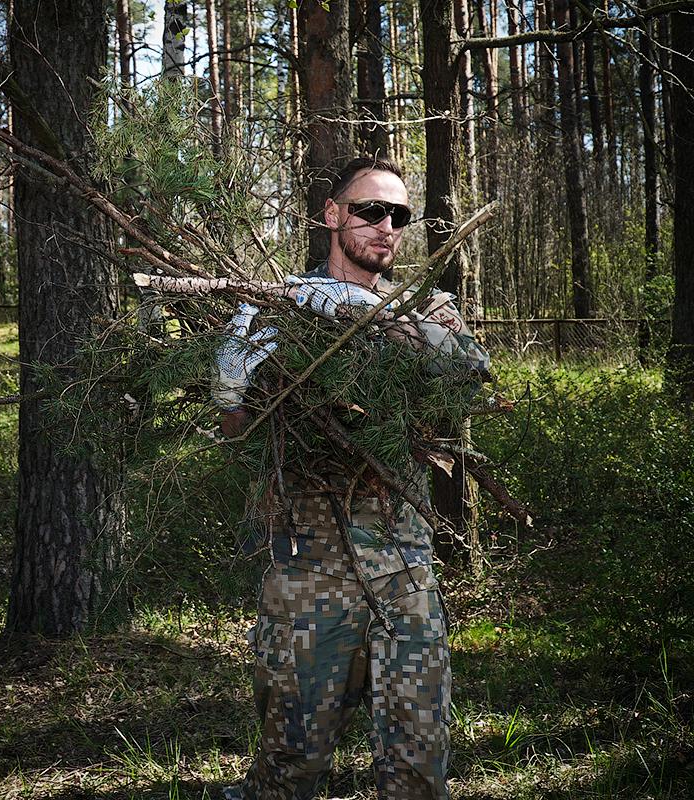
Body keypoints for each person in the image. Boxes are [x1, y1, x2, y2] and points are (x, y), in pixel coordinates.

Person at [216, 157, 490, 800]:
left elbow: (472, 378)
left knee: (418, 772)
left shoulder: (431, 307)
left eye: (399, 215)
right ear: (333, 216)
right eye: (370, 210)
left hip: (404, 574)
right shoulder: (282, 309)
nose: (386, 226)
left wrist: (390, 325)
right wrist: (241, 374)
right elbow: (233, 430)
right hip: (307, 578)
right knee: (291, 768)